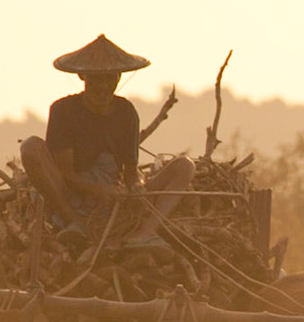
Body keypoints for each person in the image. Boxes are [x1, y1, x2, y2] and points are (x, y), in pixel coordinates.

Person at [19, 35, 194, 246]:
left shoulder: (126, 112)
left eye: (109, 79)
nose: (103, 87)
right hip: (72, 194)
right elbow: (66, 174)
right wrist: (95, 189)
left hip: (113, 196)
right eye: (96, 80)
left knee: (185, 166)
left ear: (118, 78)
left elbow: (130, 173)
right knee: (30, 147)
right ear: (83, 77)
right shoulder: (63, 110)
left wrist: (136, 187)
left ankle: (146, 231)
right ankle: (74, 223)